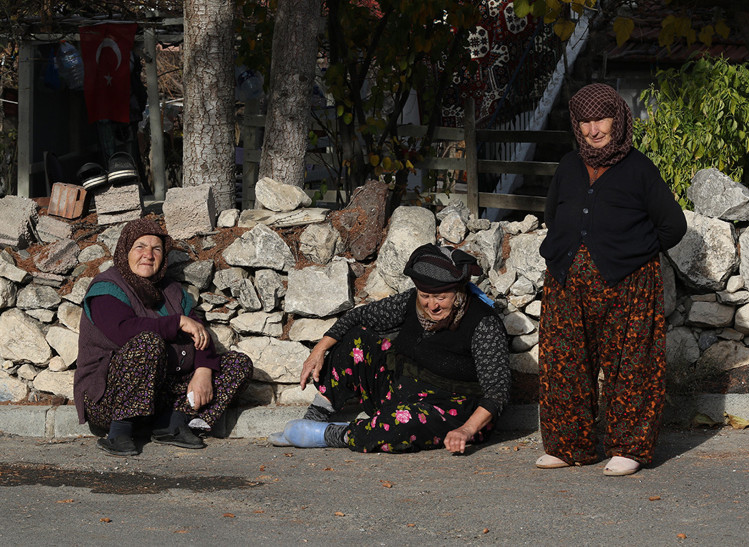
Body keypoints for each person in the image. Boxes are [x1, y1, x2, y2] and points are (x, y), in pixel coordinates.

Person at [537, 83, 686, 476]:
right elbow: (554, 216)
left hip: (628, 283)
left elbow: (673, 225)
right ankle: (569, 445)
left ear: (617, 119)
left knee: (632, 364)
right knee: (563, 363)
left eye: (600, 119)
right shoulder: (569, 165)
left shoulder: (639, 168)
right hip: (566, 281)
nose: (593, 130)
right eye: (584, 122)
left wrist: (634, 251)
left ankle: (629, 447)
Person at [270, 244, 511, 454]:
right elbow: (359, 316)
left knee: (402, 424)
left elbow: (497, 391)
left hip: (451, 410)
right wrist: (318, 350)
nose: (432, 305)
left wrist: (466, 430)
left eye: (441, 298)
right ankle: (315, 418)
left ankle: (326, 435)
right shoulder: (411, 302)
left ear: (458, 294)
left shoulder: (483, 324)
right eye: (425, 295)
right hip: (400, 390)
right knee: (358, 339)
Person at [74, 218, 253, 456]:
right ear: (125, 250)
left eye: (156, 248)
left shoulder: (171, 291)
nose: (148, 254)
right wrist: (176, 321)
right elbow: (123, 331)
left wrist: (203, 370)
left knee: (237, 365)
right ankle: (120, 431)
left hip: (159, 397)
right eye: (140, 246)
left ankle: (171, 423)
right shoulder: (107, 287)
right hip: (107, 398)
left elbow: (200, 333)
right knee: (147, 343)